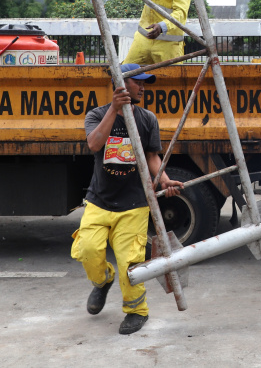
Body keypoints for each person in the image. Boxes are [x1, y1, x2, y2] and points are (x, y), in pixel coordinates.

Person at [72, 63, 184, 335]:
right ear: (121, 85)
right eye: (139, 83)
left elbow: (151, 157)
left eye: (145, 83)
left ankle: (136, 312)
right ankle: (102, 281)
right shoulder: (97, 114)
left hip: (134, 204)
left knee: (130, 265)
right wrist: (114, 109)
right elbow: (94, 144)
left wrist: (165, 179)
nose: (144, 87)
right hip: (99, 201)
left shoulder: (147, 119)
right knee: (87, 250)